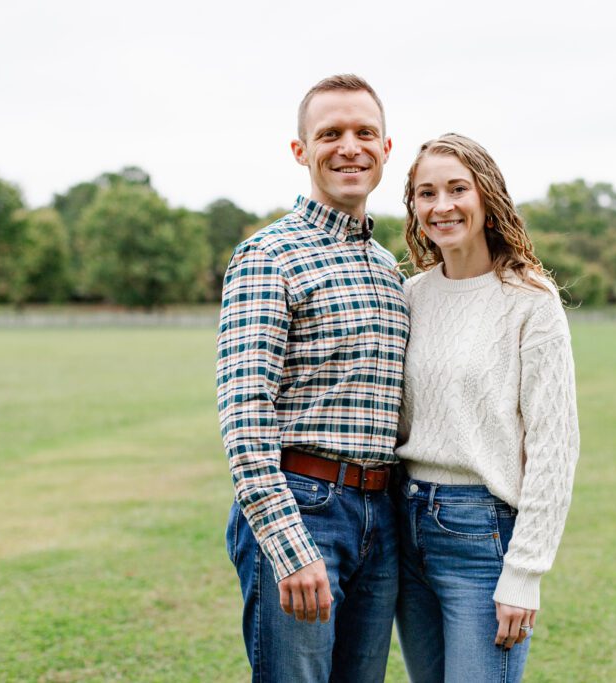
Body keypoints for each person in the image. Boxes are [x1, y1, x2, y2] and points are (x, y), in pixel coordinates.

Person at [216, 74, 408, 683]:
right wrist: (289, 548)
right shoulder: (268, 256)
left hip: (380, 517)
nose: (349, 146)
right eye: (330, 133)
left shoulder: (387, 267)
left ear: (385, 149)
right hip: (303, 507)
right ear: (301, 151)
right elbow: (246, 416)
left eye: (364, 132)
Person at [394, 133, 580, 682]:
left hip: (482, 535)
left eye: (457, 189)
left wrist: (524, 572)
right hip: (405, 528)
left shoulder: (531, 302)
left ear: (487, 198)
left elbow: (554, 446)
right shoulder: (410, 296)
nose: (442, 205)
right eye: (426, 193)